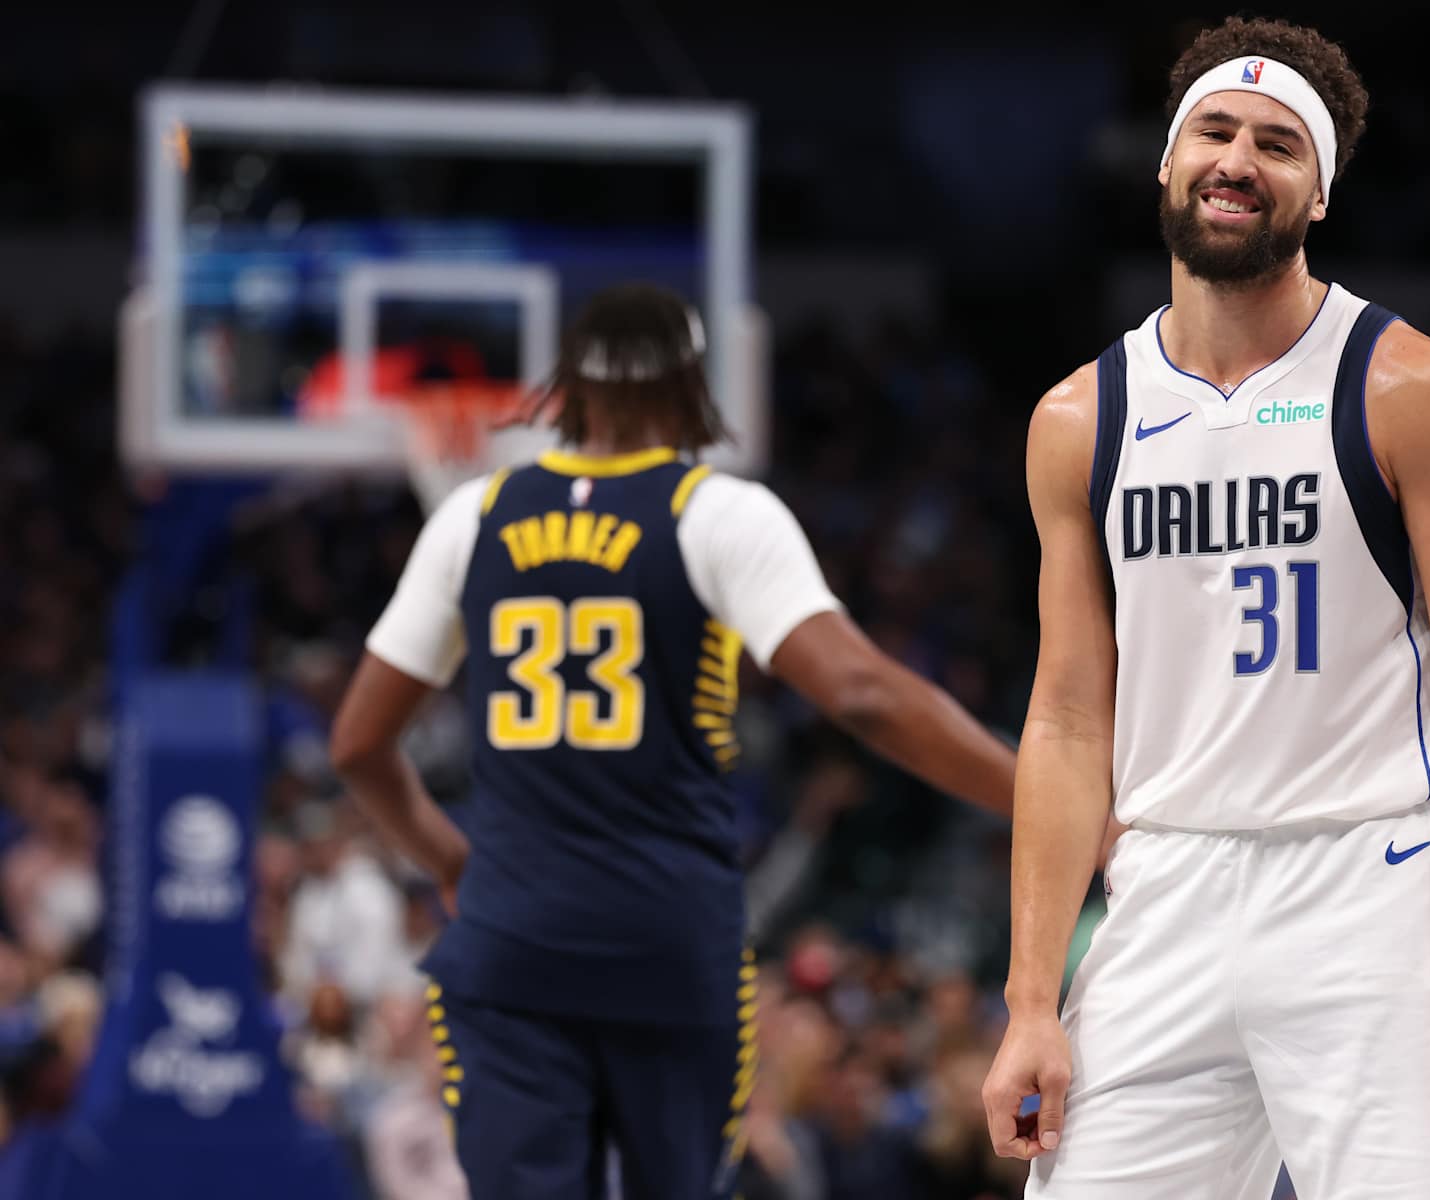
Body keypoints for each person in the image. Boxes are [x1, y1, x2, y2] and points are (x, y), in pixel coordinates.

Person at [980, 16, 1430, 1199]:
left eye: (1278, 144)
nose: (1237, 160)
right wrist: (1029, 998)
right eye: (1214, 130)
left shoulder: (1412, 387)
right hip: (1163, 886)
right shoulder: (1078, 418)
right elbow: (1064, 721)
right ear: (1165, 161)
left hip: (1376, 886)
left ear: (1318, 196)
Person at [329, 283, 1016, 1200]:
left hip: (511, 940)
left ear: (567, 389)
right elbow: (858, 691)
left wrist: (449, 859)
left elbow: (357, 746)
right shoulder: (719, 514)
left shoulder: (473, 517)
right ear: (693, 384)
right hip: (666, 942)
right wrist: (1039, 790)